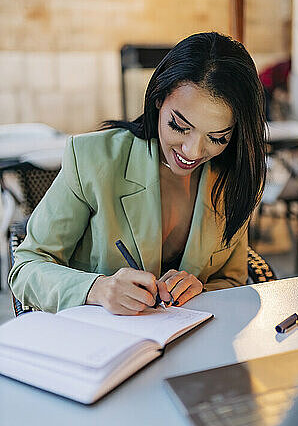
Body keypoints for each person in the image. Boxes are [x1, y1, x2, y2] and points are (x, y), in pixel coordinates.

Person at [9, 32, 267, 315]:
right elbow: (27, 268)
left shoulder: (234, 178)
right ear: (158, 99)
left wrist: (201, 290)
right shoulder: (94, 159)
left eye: (217, 138)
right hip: (99, 346)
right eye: (179, 126)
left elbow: (233, 279)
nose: (192, 152)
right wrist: (98, 289)